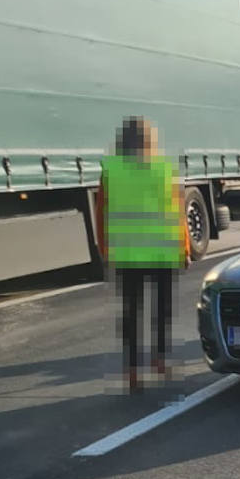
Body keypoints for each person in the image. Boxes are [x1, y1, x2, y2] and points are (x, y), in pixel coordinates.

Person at [96, 116, 190, 392]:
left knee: (130, 312)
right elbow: (176, 212)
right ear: (151, 140)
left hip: (127, 250)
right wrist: (183, 248)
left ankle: (132, 371)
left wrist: (105, 249)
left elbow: (101, 212)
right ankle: (159, 361)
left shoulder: (111, 171)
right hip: (160, 248)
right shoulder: (161, 169)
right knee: (161, 308)